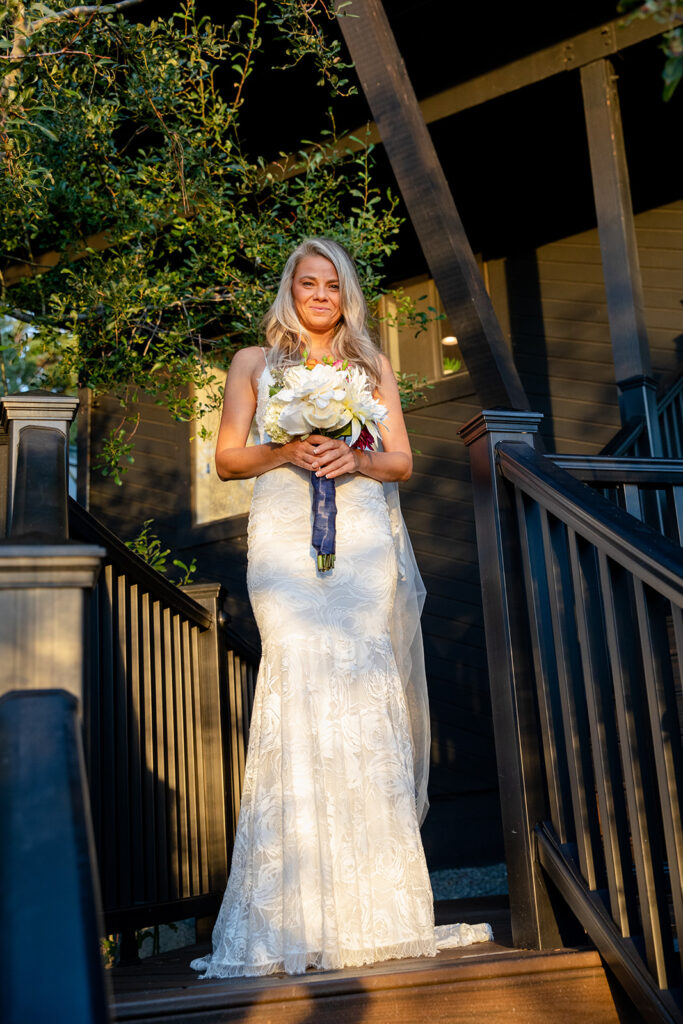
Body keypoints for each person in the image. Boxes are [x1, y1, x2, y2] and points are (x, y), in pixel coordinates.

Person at [190, 237, 491, 979]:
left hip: (357, 539)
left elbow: (400, 459)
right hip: (286, 537)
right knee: (296, 679)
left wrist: (352, 457)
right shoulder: (252, 366)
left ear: (345, 294)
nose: (320, 294)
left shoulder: (370, 366)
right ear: (288, 290)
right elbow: (227, 457)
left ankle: (376, 912)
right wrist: (287, 450)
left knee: (360, 689)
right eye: (307, 283)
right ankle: (291, 916)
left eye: (331, 285)